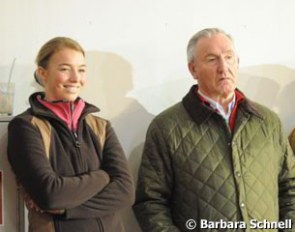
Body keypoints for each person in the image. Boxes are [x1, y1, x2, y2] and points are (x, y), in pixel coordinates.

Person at [133, 28, 295, 231]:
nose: (223, 67)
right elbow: (151, 202)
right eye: (212, 59)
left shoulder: (267, 121)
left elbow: (290, 186)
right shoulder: (166, 127)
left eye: (229, 57)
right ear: (193, 69)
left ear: (237, 62)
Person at [7, 37, 134, 232]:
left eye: (81, 70)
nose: (75, 78)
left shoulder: (101, 126)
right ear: (43, 73)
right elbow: (51, 195)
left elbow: (125, 192)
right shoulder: (25, 127)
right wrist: (103, 176)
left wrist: (65, 210)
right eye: (65, 69)